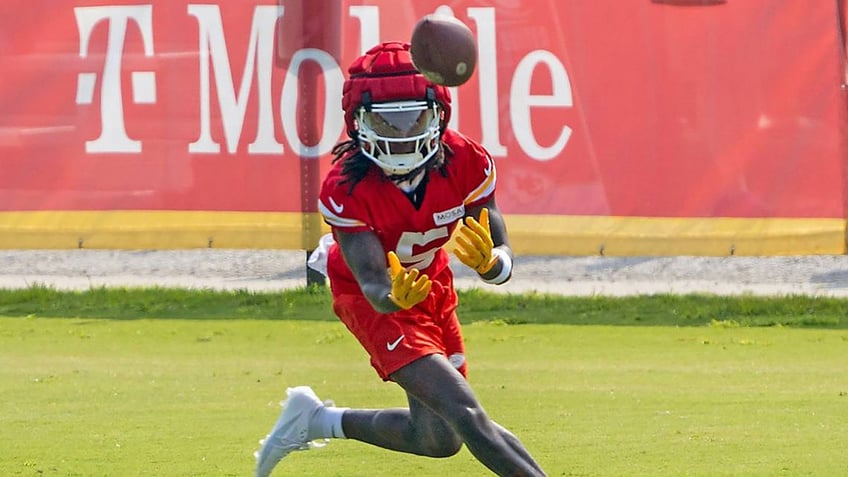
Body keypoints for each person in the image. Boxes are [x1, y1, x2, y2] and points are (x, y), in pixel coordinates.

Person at [255, 41, 547, 477]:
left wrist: (493, 265)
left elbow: (499, 245)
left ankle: (318, 420)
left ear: (438, 113)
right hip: (374, 301)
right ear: (358, 122)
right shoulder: (345, 187)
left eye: (414, 118)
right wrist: (393, 297)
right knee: (467, 415)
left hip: (433, 287)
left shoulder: (466, 160)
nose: (403, 134)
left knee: (439, 438)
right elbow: (373, 285)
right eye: (385, 123)